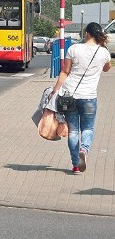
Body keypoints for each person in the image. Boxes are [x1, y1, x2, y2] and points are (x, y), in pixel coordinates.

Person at [51, 22, 111, 175]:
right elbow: (107, 68)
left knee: (73, 131)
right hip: (89, 97)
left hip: (69, 95)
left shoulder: (74, 49)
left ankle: (76, 165)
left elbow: (65, 72)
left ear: (87, 34)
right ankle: (84, 149)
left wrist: (55, 90)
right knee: (88, 128)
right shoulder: (103, 52)